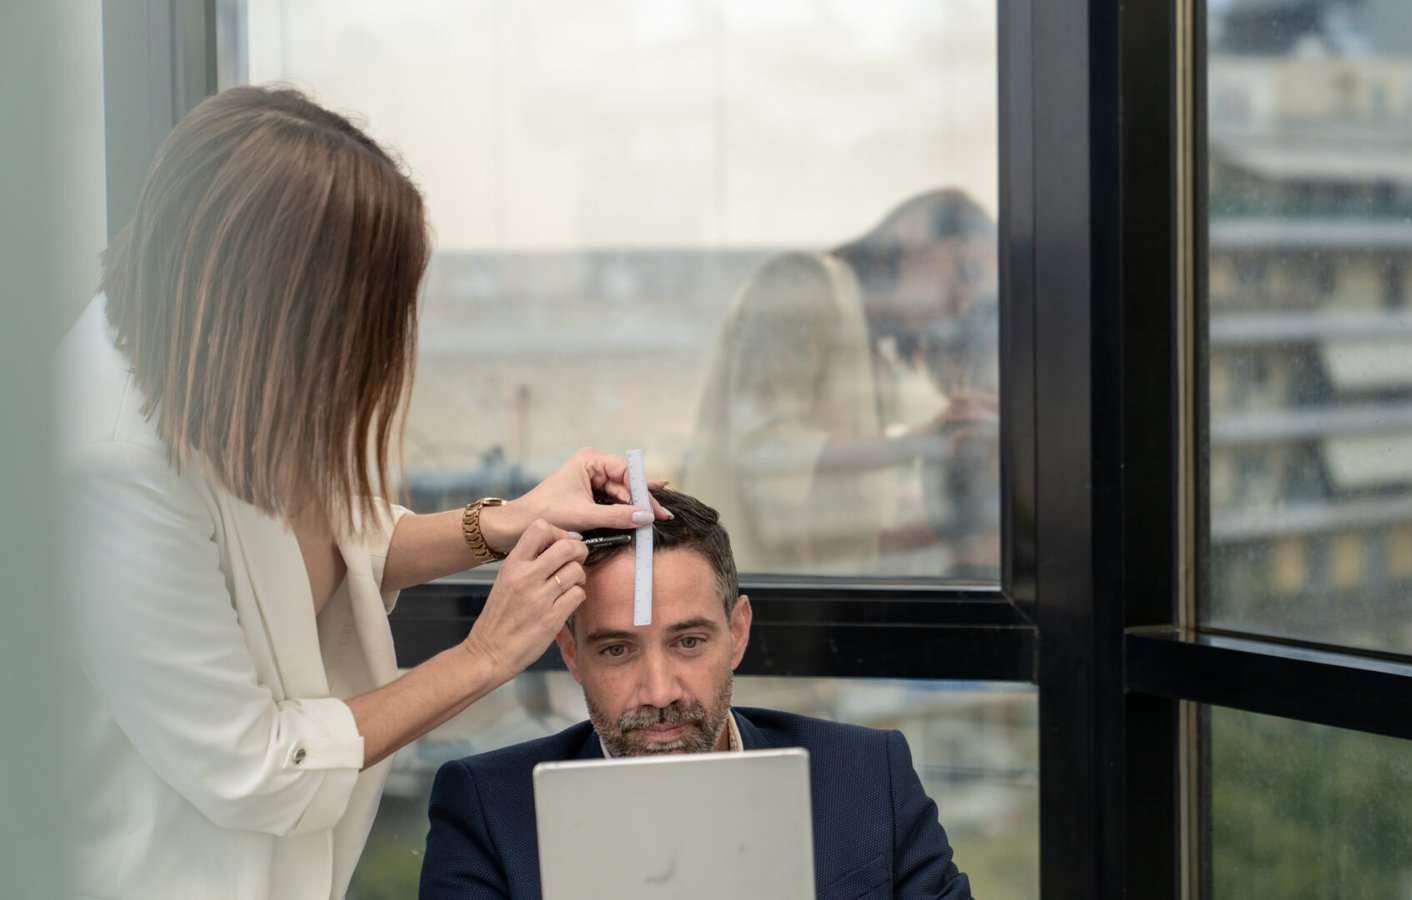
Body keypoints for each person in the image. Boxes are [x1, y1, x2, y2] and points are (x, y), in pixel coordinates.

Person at [58, 85, 666, 900]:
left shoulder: (209, 358)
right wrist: (483, 657)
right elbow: (258, 767)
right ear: (277, 304)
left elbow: (318, 540)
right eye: (359, 318)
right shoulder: (111, 465)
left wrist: (507, 522)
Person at [419, 487, 975, 899]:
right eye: (617, 649)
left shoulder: (868, 776)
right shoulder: (488, 811)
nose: (659, 691)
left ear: (737, 633)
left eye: (688, 641)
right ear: (571, 653)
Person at [680, 188, 999, 577]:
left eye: (976, 299)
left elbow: (836, 541)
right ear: (913, 231)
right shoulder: (801, 283)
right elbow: (763, 453)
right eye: (964, 272)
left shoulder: (875, 359)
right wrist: (922, 441)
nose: (961, 304)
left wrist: (961, 525)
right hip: (743, 603)